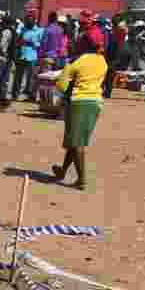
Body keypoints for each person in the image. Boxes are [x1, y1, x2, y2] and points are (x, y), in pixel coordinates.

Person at [52, 33, 107, 191]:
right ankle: (62, 170)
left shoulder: (77, 61)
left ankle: (81, 179)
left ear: (84, 45)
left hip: (79, 102)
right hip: (95, 102)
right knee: (76, 139)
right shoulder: (102, 61)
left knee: (77, 143)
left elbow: (61, 85)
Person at [10, 13, 42, 101]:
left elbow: (41, 44)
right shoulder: (22, 30)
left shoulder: (39, 31)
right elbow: (16, 40)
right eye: (27, 20)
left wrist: (33, 43)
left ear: (34, 21)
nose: (28, 22)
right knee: (18, 77)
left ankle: (29, 95)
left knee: (31, 77)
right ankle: (15, 94)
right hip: (22, 55)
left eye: (30, 20)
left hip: (32, 56)